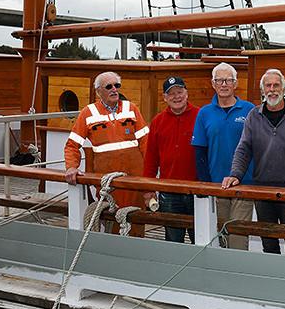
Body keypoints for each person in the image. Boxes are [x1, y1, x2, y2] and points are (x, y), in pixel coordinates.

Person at [223, 69, 285, 256]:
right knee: (269, 244)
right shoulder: (253, 116)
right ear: (262, 90)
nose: (272, 89)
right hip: (262, 190)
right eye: (268, 85)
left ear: (283, 88)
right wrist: (235, 174)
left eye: (276, 85)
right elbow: (244, 149)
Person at [64, 71, 150, 236]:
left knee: (137, 218)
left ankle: (137, 253)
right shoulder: (88, 113)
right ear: (98, 91)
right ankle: (113, 253)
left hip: (136, 180)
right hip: (107, 183)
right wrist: (71, 167)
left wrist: (150, 176)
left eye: (117, 85)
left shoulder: (131, 108)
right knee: (111, 219)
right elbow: (72, 145)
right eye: (109, 86)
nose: (114, 90)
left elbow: (146, 143)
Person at [192, 62, 255, 250]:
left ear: (235, 83)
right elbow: (199, 151)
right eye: (219, 80)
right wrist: (209, 186)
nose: (224, 84)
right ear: (213, 83)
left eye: (228, 80)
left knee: (238, 235)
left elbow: (257, 146)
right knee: (222, 234)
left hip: (245, 183)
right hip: (218, 186)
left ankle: (238, 276)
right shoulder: (204, 113)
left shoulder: (250, 110)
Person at [144, 76, 199, 243]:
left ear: (187, 94)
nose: (176, 97)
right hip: (169, 193)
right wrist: (148, 189)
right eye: (171, 93)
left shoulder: (201, 116)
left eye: (180, 92)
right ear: (164, 98)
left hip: (197, 191)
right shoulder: (157, 121)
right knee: (173, 241)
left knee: (201, 239)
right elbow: (151, 159)